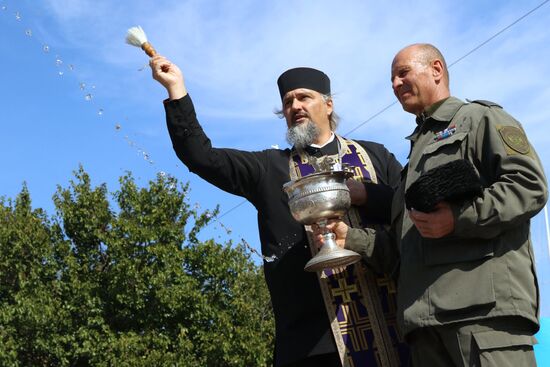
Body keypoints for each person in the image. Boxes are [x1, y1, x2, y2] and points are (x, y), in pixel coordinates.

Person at [150, 55, 408, 366]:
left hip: (390, 328)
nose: (295, 106)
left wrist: (365, 193)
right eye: (288, 102)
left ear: (328, 105)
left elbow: (408, 208)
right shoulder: (269, 168)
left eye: (304, 97)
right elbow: (201, 157)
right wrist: (176, 89)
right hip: (312, 344)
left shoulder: (375, 156)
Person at [315, 43, 548, 366]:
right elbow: (404, 249)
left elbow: (529, 186)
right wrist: (349, 238)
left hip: (483, 320)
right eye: (392, 79)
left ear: (436, 70)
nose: (395, 85)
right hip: (425, 330)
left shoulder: (479, 120)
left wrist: (457, 218)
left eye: (403, 73)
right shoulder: (411, 163)